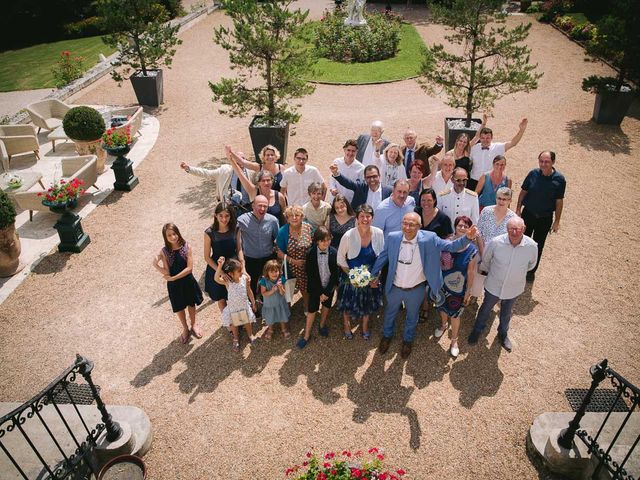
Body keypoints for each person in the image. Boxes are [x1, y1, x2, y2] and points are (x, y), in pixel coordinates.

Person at [371, 213, 478, 358]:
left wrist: (467, 238)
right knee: (390, 313)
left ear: (419, 226)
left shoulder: (430, 238)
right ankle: (387, 336)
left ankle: (407, 340)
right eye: (405, 223)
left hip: (416, 289)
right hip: (394, 287)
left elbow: (452, 246)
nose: (407, 227)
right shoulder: (392, 237)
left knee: (412, 316)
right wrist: (372, 275)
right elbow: (383, 257)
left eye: (412, 224)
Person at [468, 217, 537, 352]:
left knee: (506, 312)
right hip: (494, 285)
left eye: (518, 229)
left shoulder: (532, 246)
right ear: (507, 229)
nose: (514, 232)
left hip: (513, 288)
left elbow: (531, 265)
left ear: (524, 229)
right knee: (485, 309)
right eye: (511, 228)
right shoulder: (496, 242)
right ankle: (477, 330)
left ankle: (503, 334)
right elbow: (486, 260)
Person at [516, 151, 566, 282]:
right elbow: (523, 192)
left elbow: (559, 201)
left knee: (538, 245)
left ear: (553, 162)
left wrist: (557, 221)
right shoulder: (532, 174)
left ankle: (531, 272)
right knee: (522, 242)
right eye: (541, 161)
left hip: (545, 218)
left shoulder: (560, 180)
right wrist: (518, 210)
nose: (543, 164)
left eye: (547, 162)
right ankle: (519, 268)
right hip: (528, 214)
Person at [337, 204, 385, 340]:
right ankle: (346, 325)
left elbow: (381, 257)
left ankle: (364, 326)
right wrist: (355, 276)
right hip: (350, 276)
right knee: (347, 303)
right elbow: (340, 258)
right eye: (362, 216)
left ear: (372, 218)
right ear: (357, 218)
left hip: (371, 277)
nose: (365, 219)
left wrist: (376, 277)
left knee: (367, 304)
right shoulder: (348, 235)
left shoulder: (379, 233)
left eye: (368, 216)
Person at [434, 216, 479, 358]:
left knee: (455, 314)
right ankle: (443, 325)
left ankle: (454, 341)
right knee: (441, 307)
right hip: (442, 285)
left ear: (469, 229)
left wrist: (468, 291)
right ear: (455, 226)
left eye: (466, 226)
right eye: (460, 225)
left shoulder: (472, 249)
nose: (462, 228)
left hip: (459, 289)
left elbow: (471, 272)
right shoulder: (446, 242)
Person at [153, 223, 204, 344]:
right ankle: (185, 328)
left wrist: (173, 278)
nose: (173, 237)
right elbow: (166, 271)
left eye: (174, 234)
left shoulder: (187, 247)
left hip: (187, 281)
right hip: (174, 286)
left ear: (178, 233)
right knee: (179, 307)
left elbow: (189, 268)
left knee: (191, 304)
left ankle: (194, 324)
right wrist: (157, 265)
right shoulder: (164, 251)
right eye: (169, 235)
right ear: (165, 237)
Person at [470, 187, 517, 298]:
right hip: (481, 250)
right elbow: (479, 232)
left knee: (494, 284)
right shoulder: (486, 211)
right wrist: (483, 254)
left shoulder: (513, 219)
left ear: (510, 200)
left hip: (499, 257)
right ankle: (474, 296)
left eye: (505, 199)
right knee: (477, 282)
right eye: (499, 198)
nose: (501, 201)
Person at [298, 227, 341, 348]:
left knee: (326, 306)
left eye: (328, 240)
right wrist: (319, 293)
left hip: (329, 287)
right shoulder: (310, 253)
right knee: (312, 309)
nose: (326, 243)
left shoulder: (334, 252)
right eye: (322, 240)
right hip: (315, 287)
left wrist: (326, 292)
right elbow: (310, 275)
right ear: (317, 241)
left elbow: (335, 275)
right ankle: (306, 334)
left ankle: (322, 325)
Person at [228, 146, 286, 225]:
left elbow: (284, 217)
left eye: (268, 180)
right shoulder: (254, 191)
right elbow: (241, 173)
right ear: (258, 182)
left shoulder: (279, 196)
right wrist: (230, 156)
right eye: (263, 181)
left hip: (276, 229)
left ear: (272, 181)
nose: (266, 183)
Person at [203, 204, 244, 314]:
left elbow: (239, 249)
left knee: (236, 296)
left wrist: (243, 267)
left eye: (227, 216)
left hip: (233, 266)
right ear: (215, 216)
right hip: (217, 267)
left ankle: (239, 320)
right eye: (221, 216)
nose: (224, 219)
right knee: (221, 298)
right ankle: (229, 324)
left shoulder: (236, 228)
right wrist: (220, 272)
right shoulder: (209, 233)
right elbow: (207, 257)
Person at [469, 116, 527, 190]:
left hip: (490, 182)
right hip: (474, 181)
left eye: (488, 138)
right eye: (483, 138)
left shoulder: (498, 147)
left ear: (492, 138)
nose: (485, 140)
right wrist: (483, 123)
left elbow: (513, 143)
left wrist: (521, 130)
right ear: (480, 138)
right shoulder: (474, 148)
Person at [237, 195, 279, 298]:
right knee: (251, 284)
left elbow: (277, 239)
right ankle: (253, 308)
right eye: (259, 205)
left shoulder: (273, 220)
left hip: (268, 258)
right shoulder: (242, 220)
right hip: (251, 259)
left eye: (265, 206)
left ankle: (267, 307)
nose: (262, 209)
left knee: (269, 284)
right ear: (253, 206)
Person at [276, 205, 314, 312]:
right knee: (288, 289)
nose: (294, 218)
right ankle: (287, 310)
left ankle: (306, 306)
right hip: (290, 266)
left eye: (297, 215)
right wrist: (293, 261)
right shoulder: (283, 232)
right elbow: (279, 253)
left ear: (302, 216)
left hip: (306, 265)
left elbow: (315, 244)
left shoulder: (309, 228)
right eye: (290, 216)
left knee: (305, 288)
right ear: (287, 218)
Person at [215, 257, 257, 351]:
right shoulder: (227, 282)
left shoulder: (244, 278)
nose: (241, 272)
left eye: (241, 270)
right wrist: (219, 266)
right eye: (239, 271)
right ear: (230, 273)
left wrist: (253, 302)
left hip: (244, 306)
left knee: (247, 322)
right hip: (233, 308)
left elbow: (249, 291)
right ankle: (236, 338)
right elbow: (216, 279)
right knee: (234, 324)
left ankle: (250, 335)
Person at [180, 159, 249, 205]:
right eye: (237, 160)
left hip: (247, 207)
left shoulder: (251, 173)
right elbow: (207, 173)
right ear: (233, 162)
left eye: (242, 159)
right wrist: (189, 168)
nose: (240, 162)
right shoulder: (224, 171)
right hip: (229, 207)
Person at [258, 260, 290, 340]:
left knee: (282, 317)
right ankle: (270, 329)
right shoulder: (264, 280)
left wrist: (280, 288)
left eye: (276, 271)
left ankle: (284, 329)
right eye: (271, 272)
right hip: (269, 305)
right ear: (267, 272)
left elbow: (283, 293)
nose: (274, 274)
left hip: (280, 304)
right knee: (270, 319)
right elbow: (263, 293)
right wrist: (272, 290)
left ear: (279, 271)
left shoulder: (281, 279)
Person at [328, 139, 365, 204]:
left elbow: (360, 187)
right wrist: (332, 188)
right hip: (335, 201)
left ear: (356, 152)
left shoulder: (361, 168)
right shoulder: (336, 162)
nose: (350, 153)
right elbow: (332, 178)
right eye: (348, 150)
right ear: (344, 150)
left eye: (353, 151)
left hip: (350, 202)